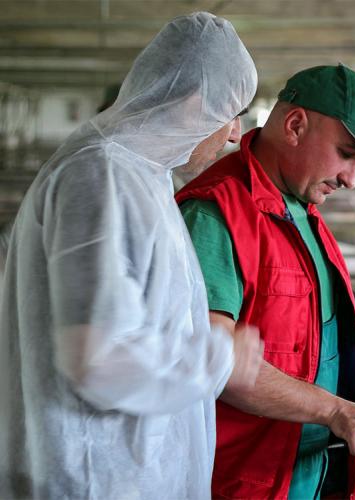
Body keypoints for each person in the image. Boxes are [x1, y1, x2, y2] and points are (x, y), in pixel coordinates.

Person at [0, 12, 264, 499]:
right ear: (192, 102)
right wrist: (217, 356)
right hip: (93, 477)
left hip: (127, 472)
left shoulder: (142, 174)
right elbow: (97, 358)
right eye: (231, 112)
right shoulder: (100, 176)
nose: (234, 133)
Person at [176, 64, 355, 499]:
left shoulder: (301, 211)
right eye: (347, 154)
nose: (351, 179)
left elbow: (329, 326)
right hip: (247, 480)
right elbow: (213, 359)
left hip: (318, 472)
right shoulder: (216, 216)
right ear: (295, 126)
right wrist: (336, 410)